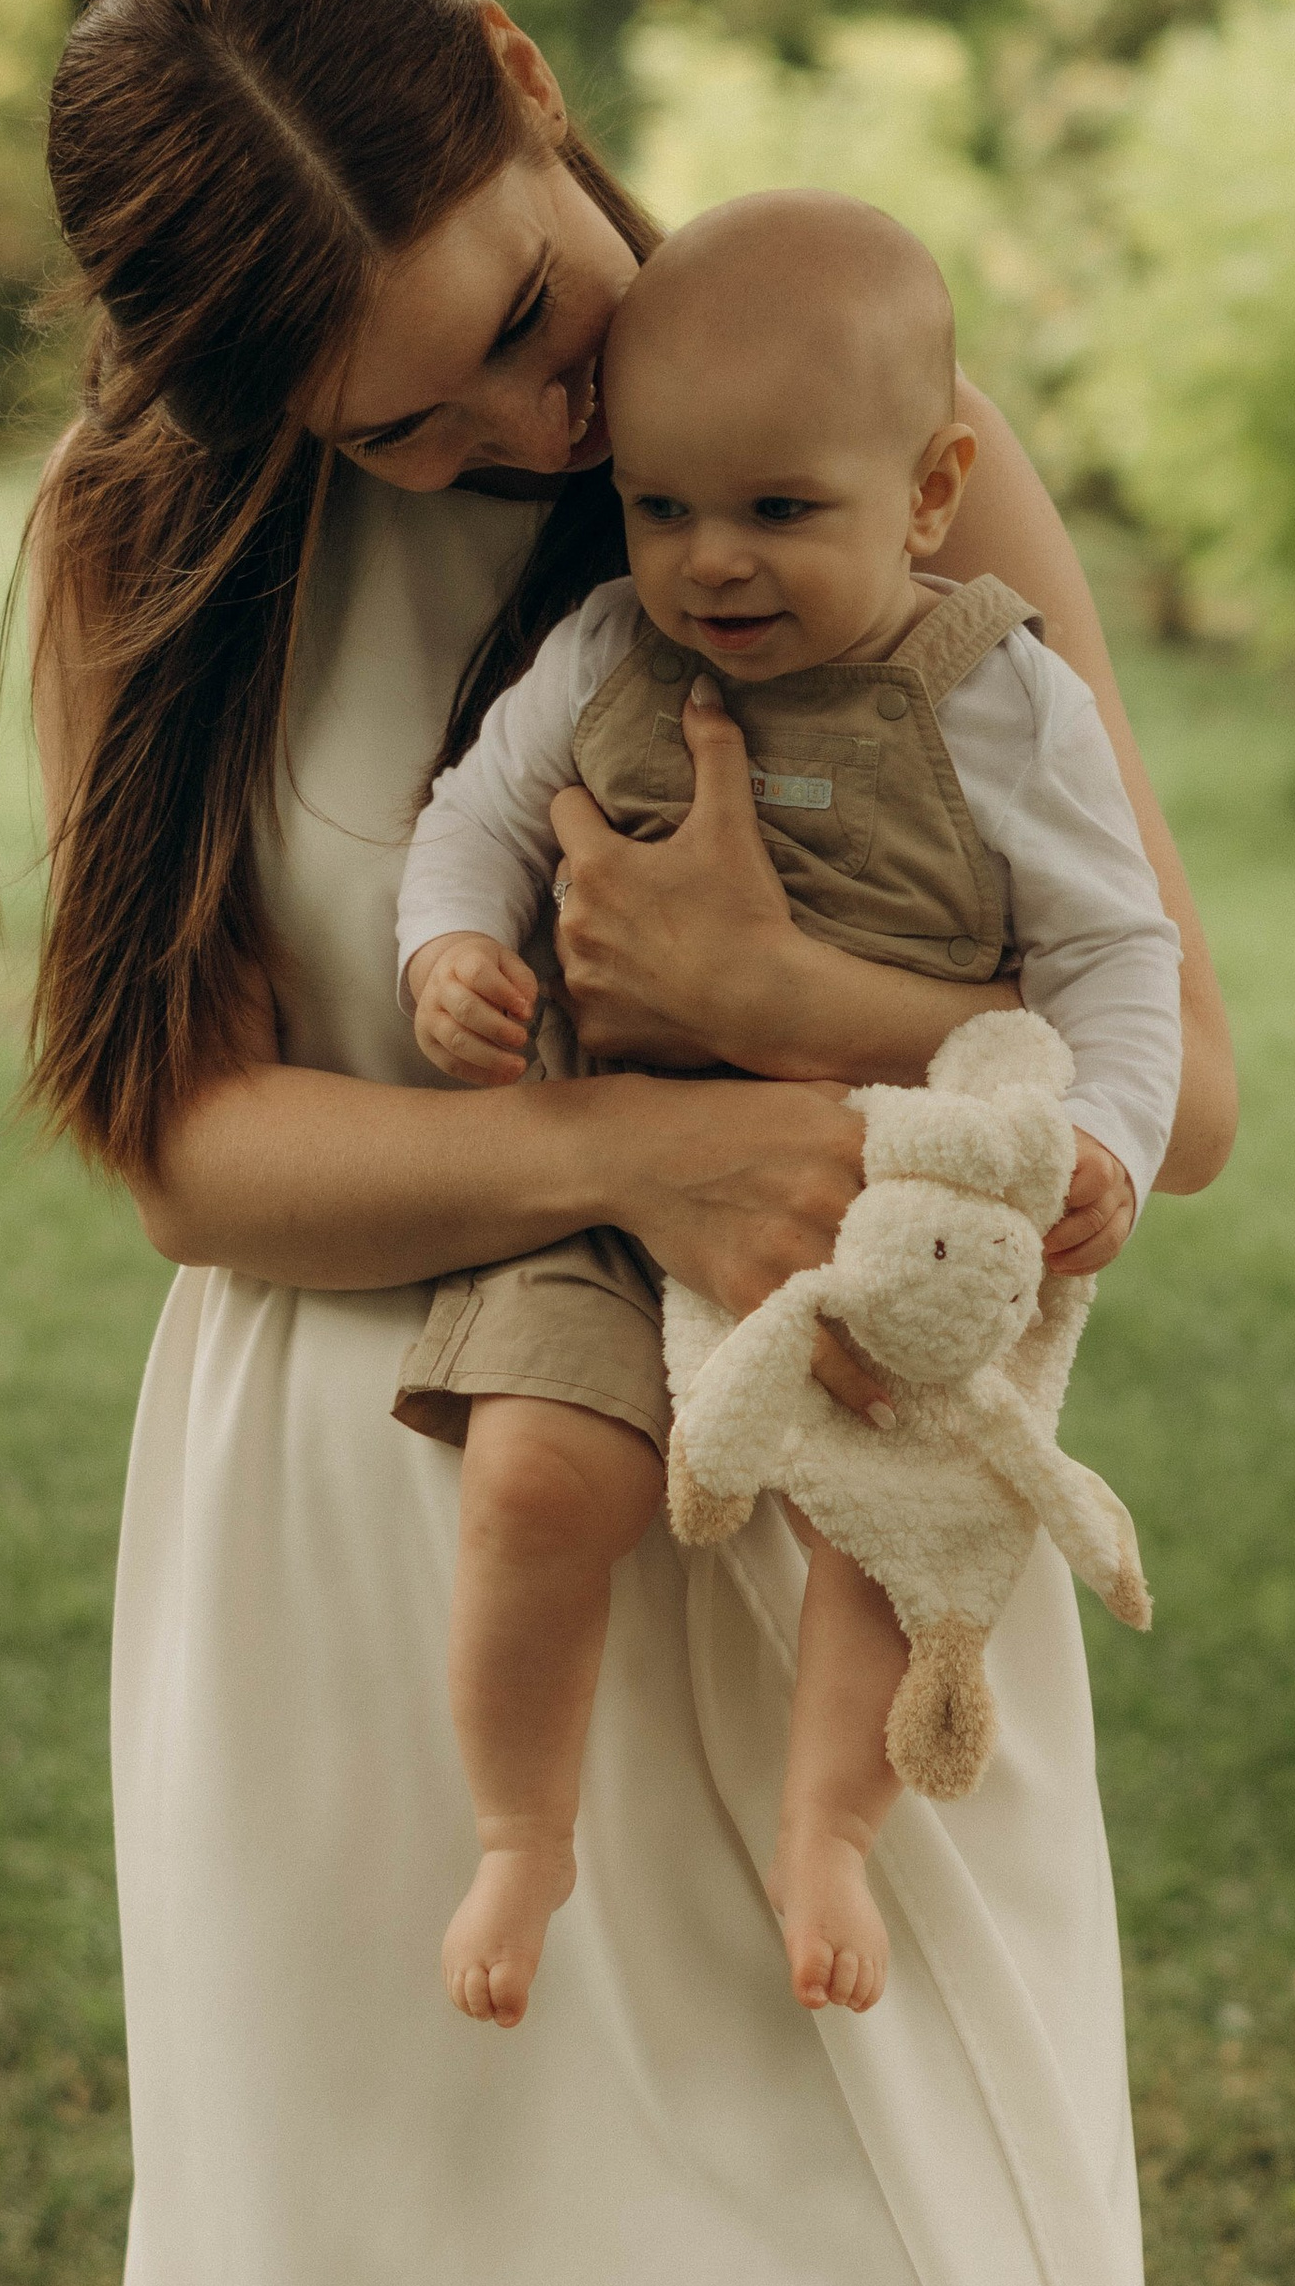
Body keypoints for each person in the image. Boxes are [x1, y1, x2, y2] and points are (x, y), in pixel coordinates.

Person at [31, 0, 1295, 2286]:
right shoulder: (167, 542)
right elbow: (191, 1152)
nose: (527, 436)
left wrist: (787, 1002)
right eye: (408, 424)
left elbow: (1185, 1090)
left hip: (831, 1503)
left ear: (519, 79)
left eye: (512, 324)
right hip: (391, 1534)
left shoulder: (847, 417)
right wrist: (621, 1143)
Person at [393, 193, 1184, 2029]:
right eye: (661, 509)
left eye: (777, 512)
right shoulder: (600, 656)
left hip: (875, 1198)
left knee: (893, 1519)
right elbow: (473, 819)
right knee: (529, 1469)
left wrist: (1108, 1148)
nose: (710, 567)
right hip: (613, 1178)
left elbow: (1121, 961)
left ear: (929, 491)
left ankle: (828, 1821)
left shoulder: (996, 699)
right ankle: (522, 1829)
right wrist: (449, 952)